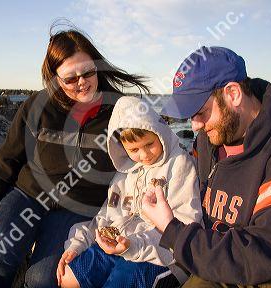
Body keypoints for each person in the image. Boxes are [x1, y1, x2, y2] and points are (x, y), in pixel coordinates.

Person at [0, 26, 150, 288]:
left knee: (42, 279)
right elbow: (6, 159)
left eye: (88, 71)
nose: (82, 82)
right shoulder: (37, 107)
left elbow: (149, 153)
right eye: (70, 78)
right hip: (29, 196)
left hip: (77, 209)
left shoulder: (119, 111)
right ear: (56, 77)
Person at [142, 46, 271, 287]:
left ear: (234, 93)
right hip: (217, 255)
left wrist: (172, 230)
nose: (194, 126)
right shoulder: (208, 139)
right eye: (189, 116)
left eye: (200, 112)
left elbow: (260, 254)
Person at [56, 96, 202, 288]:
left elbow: (186, 223)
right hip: (119, 244)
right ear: (121, 147)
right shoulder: (124, 172)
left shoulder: (180, 164)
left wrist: (133, 246)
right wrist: (78, 244)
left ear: (160, 132)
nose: (144, 155)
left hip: (162, 254)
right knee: (68, 278)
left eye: (149, 144)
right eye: (134, 149)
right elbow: (103, 218)